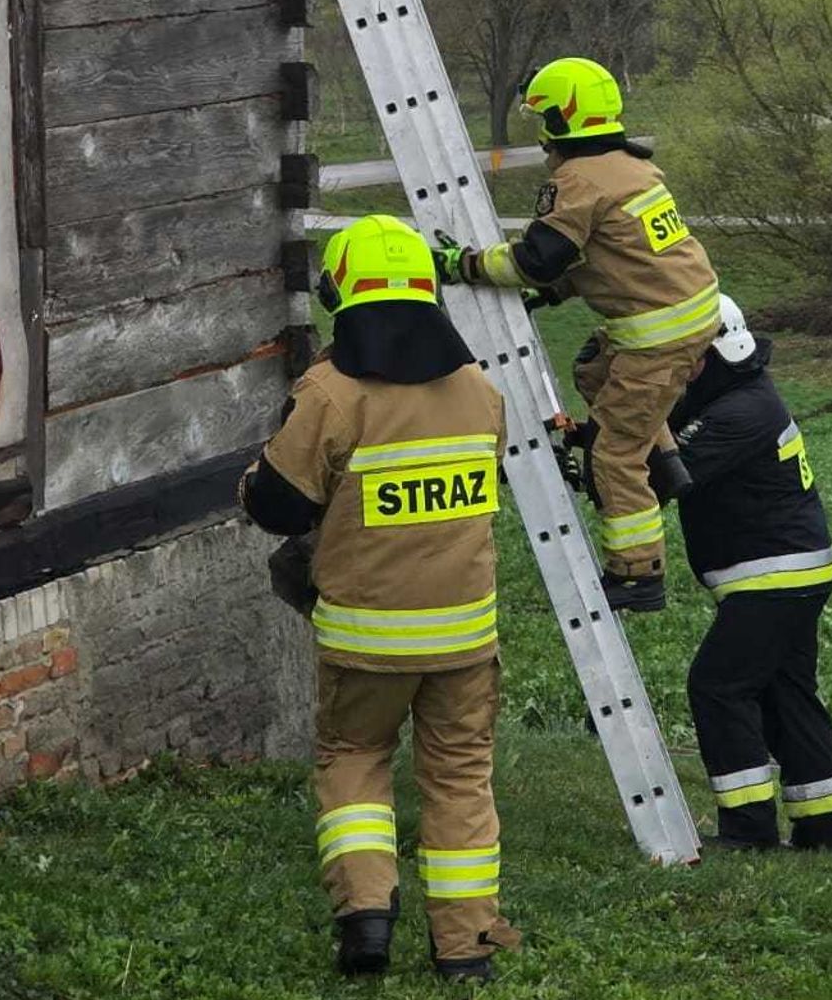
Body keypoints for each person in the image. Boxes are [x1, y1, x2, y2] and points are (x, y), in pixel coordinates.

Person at [241, 215, 520, 980]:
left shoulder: (333, 394)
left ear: (341, 293)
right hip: (465, 638)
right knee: (460, 778)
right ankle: (466, 950)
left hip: (366, 639)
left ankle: (366, 916)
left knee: (354, 758)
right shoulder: (480, 392)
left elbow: (278, 507)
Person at [436, 56, 720, 613]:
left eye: (541, 118)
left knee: (612, 458)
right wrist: (555, 292)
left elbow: (536, 260)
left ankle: (639, 575)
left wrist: (462, 265)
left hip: (655, 340)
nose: (538, 133)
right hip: (686, 318)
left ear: (560, 122)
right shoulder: (630, 167)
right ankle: (665, 465)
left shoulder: (578, 181)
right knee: (592, 369)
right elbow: (614, 255)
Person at [669, 295, 832, 853]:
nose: (678, 369)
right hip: (789, 570)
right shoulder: (739, 396)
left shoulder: (738, 413)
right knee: (787, 696)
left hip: (772, 576)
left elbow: (662, 474)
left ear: (716, 350)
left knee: (718, 686)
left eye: (686, 356)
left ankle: (748, 829)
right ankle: (824, 833)